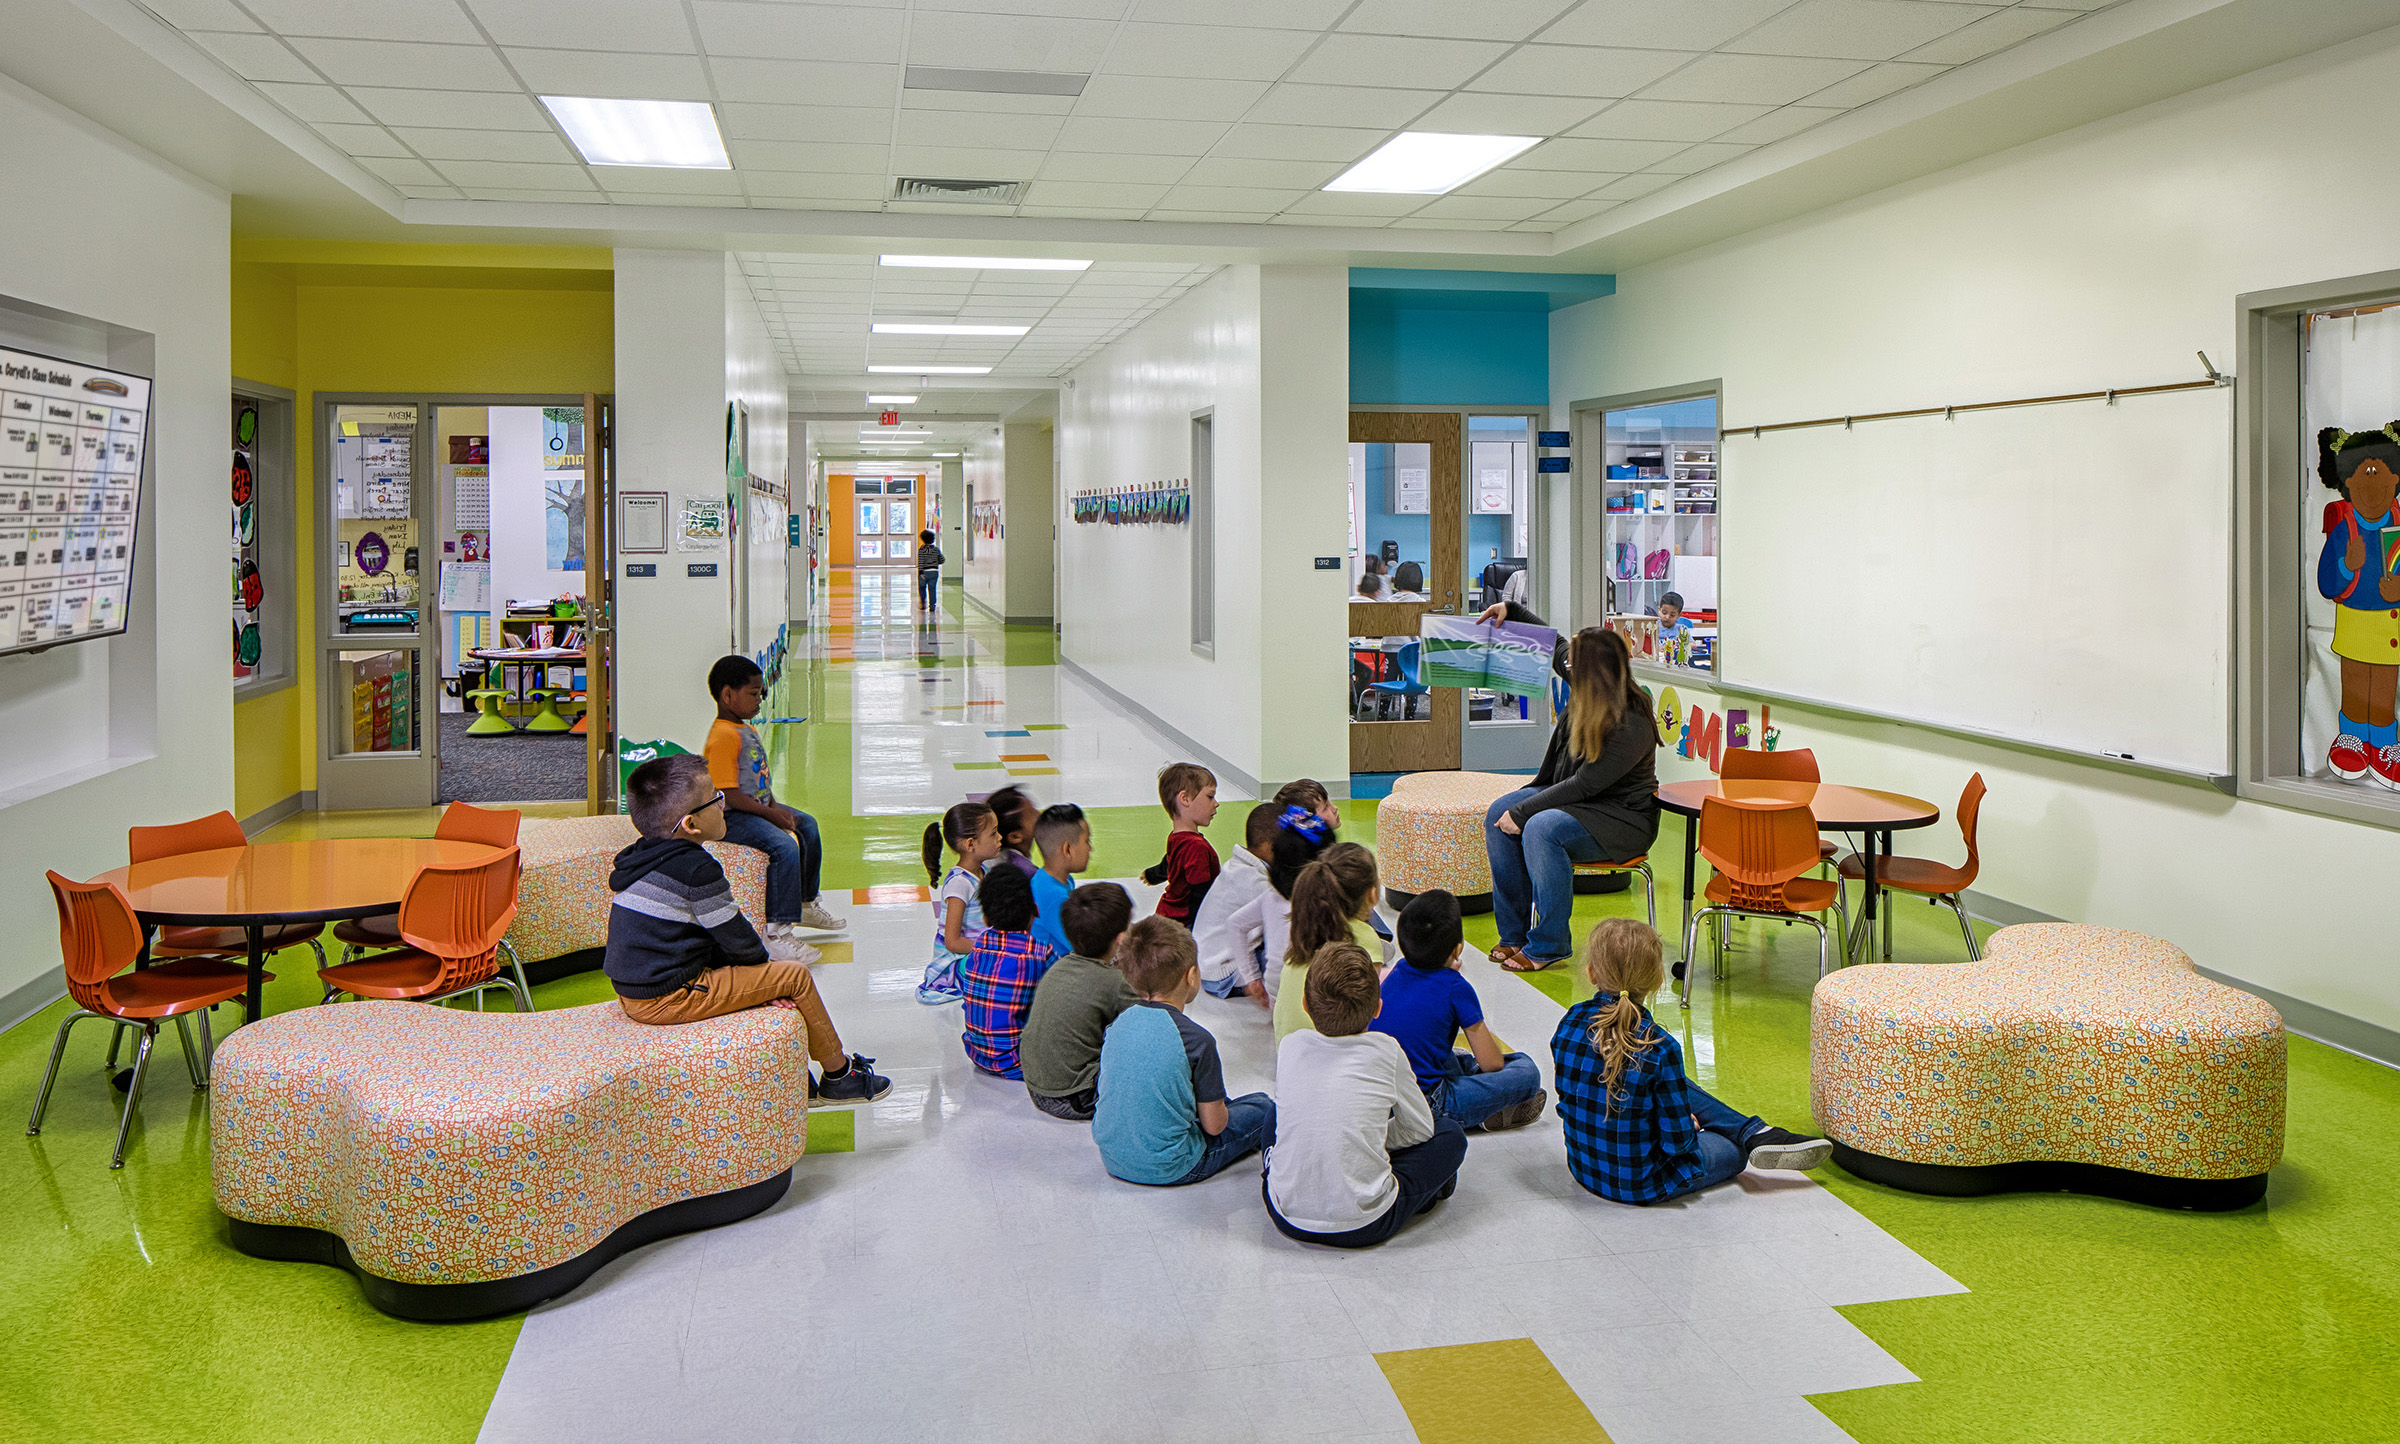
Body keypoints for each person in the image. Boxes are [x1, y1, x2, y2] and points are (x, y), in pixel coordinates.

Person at [605, 754, 889, 1101]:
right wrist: (772, 982)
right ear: (691, 824)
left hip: (638, 989)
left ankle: (798, 1076)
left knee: (771, 978)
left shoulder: (643, 857)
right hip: (667, 996)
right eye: (715, 798)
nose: (724, 804)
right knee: (794, 976)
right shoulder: (696, 869)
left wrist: (761, 981)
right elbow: (740, 942)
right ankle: (840, 1075)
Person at [1553, 919, 1830, 1205]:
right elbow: (1678, 1144)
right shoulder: (1660, 1046)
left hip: (1584, 1168)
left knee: (1661, 1080)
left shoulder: (1570, 1022)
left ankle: (1755, 1132)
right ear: (1657, 979)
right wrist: (1690, 1125)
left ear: (1591, 973)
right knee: (1734, 1150)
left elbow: (1571, 1099)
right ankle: (1750, 1133)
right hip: (1642, 1183)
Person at [1472, 603, 1660, 973]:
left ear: (1594, 674)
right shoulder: (1585, 679)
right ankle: (1514, 935)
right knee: (1497, 811)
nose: (1566, 666)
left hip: (1620, 818)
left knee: (1541, 828)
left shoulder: (1633, 720)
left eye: (1573, 664)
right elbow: (1551, 641)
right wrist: (1510, 609)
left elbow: (1588, 783)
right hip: (1578, 803)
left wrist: (1525, 811)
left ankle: (1549, 943)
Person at [1263, 942, 1468, 1249]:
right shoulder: (1386, 1049)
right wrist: (1373, 1139)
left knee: (1272, 1113)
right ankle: (1410, 1190)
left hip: (1285, 1214)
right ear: (1377, 1008)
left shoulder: (1292, 1045)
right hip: (1366, 1223)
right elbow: (1421, 1128)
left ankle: (1274, 1165)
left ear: (1305, 1004)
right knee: (1450, 1135)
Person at [1092, 916, 1276, 1186]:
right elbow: (1215, 1127)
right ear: (1191, 976)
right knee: (1262, 1106)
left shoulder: (1119, 1023)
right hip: (1175, 1166)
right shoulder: (1197, 1040)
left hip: (1113, 1157)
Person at [704, 654, 843, 960]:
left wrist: (776, 806)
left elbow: (758, 781)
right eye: (753, 694)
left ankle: (806, 903)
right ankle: (777, 932)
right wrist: (770, 815)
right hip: (732, 817)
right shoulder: (724, 736)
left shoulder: (744, 729)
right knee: (783, 846)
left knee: (806, 824)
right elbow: (727, 793)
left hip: (755, 807)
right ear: (728, 695)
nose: (758, 701)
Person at [1373, 890, 1546, 1132]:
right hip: (1429, 1105)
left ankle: (1480, 1100)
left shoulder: (1398, 970)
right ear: (1457, 949)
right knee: (1526, 1070)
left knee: (1451, 1053)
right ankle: (1482, 1110)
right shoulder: (1455, 987)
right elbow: (1493, 1065)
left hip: (1382, 1100)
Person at [2314, 424, 2400, 784]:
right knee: (2353, 679)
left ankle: (2382, 741)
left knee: (2383, 681)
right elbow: (2325, 582)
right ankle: (2351, 737)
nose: (2371, 484)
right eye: (2362, 474)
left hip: (2389, 622)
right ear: (2347, 483)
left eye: (2379, 472)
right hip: (2352, 620)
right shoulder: (2342, 527)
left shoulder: (2398, 525)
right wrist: (2347, 566)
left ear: (2395, 478)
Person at [1020, 883, 1137, 1120]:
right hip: (1075, 1096)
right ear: (1121, 939)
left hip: (1035, 1087)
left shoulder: (1059, 966)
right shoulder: (1114, 982)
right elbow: (1153, 1020)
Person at [1223, 805, 1333, 1012]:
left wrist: (1252, 977)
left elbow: (1235, 924)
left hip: (1277, 994)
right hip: (1317, 999)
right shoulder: (1325, 903)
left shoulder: (1271, 897)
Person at [1273, 842, 1381, 1043]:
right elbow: (1365, 1009)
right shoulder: (1366, 939)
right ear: (1372, 893)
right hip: (1334, 1049)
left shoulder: (1308, 923)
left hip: (1288, 1052)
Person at [960, 861, 1049, 1078]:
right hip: (1019, 1062)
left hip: (978, 1054)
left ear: (985, 918)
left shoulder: (980, 944)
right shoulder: (1039, 953)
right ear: (1034, 910)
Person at [1194, 803, 1278, 1002]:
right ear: (1271, 846)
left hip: (1206, 961)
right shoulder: (1255, 882)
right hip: (1222, 973)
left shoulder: (1238, 866)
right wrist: (1253, 977)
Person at [918, 800, 998, 1005]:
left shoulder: (984, 872)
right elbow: (952, 942)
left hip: (980, 950)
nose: (1000, 838)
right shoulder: (960, 884)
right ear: (970, 844)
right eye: (993, 833)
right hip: (958, 961)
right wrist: (991, 948)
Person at [1141, 762, 1221, 925]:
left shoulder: (1177, 837)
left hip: (1167, 915)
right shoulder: (1196, 846)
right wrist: (1204, 926)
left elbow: (1171, 862)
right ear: (1185, 799)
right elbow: (1199, 892)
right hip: (1184, 923)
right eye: (1210, 796)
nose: (1216, 803)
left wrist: (1153, 875)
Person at [1030, 802, 1089, 961]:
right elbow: (1083, 948)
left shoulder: (1048, 879)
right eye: (1087, 842)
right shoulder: (1054, 897)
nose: (1090, 849)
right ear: (1068, 849)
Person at [984, 784, 1041, 879]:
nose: (1039, 814)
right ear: (1015, 837)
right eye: (1032, 814)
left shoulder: (990, 859)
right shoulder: (1027, 874)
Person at [914, 527, 944, 614]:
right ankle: (932, 605)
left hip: (924, 572)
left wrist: (920, 572)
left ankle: (923, 602)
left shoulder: (922, 550)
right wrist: (936, 561)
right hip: (934, 571)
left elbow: (921, 561)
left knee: (922, 587)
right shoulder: (936, 549)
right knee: (932, 589)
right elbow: (942, 560)